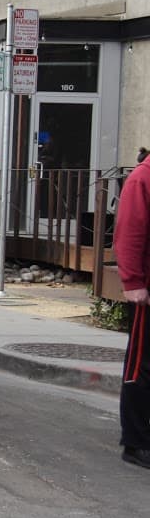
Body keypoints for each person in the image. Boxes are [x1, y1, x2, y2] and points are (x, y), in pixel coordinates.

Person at [116, 154, 150, 470]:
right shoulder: (143, 178)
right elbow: (129, 231)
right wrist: (133, 281)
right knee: (142, 367)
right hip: (147, 295)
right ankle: (136, 441)